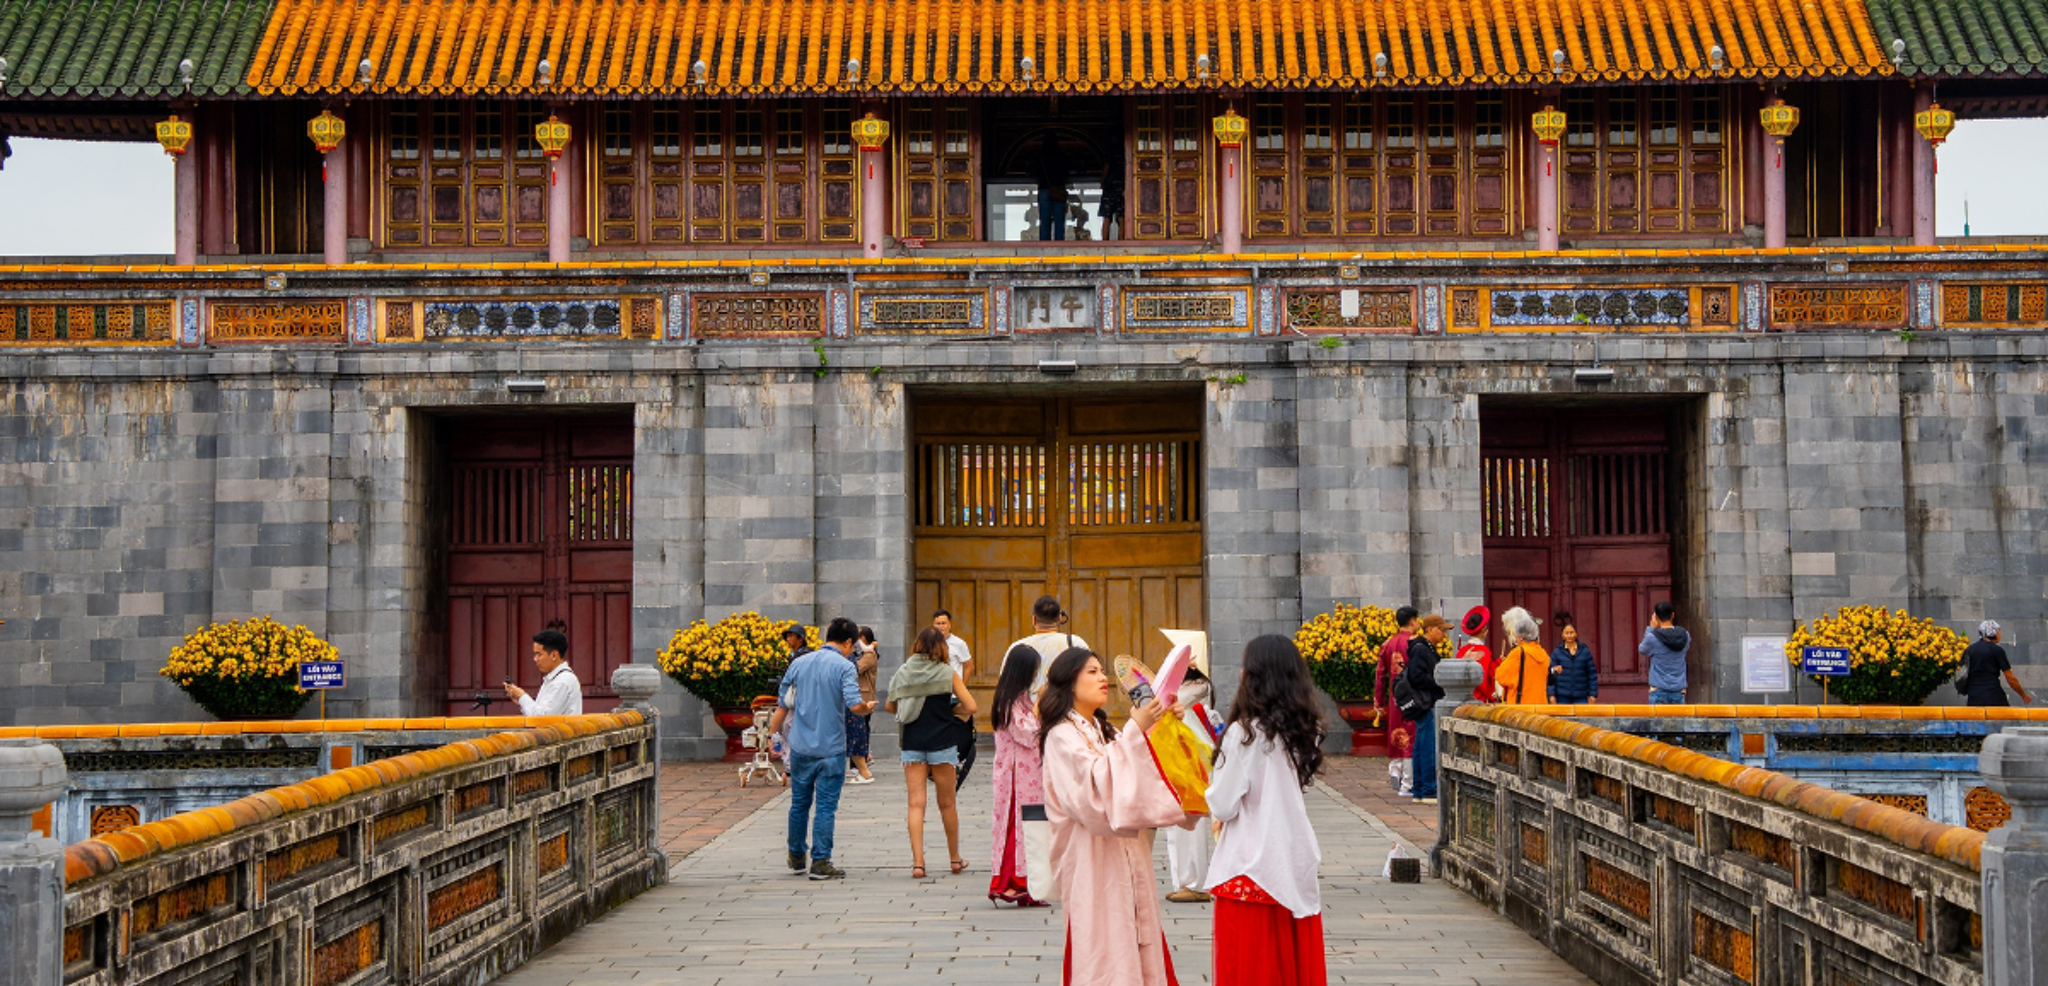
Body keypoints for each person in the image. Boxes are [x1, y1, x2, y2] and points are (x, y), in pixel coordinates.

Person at [1039, 646, 1193, 986]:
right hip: (1091, 860)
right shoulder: (1061, 736)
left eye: (1101, 670)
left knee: (1136, 937)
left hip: (1127, 856)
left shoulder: (1103, 729)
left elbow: (1141, 767)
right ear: (1068, 683)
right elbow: (1094, 796)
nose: (1102, 677)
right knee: (1104, 947)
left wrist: (1162, 723)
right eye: (1091, 672)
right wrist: (1138, 729)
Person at [1205, 635, 1327, 986]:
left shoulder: (1243, 734)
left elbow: (1223, 805)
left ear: (1253, 675)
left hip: (1250, 863)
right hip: (1290, 856)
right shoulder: (1305, 731)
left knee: (1251, 968)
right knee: (1290, 963)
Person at [769, 617, 876, 880]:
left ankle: (796, 857)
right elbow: (854, 704)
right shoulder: (844, 666)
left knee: (799, 804)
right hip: (831, 748)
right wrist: (867, 707)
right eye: (854, 648)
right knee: (826, 806)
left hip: (801, 747)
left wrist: (773, 738)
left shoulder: (799, 663)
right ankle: (820, 861)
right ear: (849, 642)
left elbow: (782, 705)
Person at [887, 627, 978, 878]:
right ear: (941, 647)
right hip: (943, 743)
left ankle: (918, 864)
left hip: (913, 743)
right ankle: (954, 860)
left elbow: (889, 705)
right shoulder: (946, 672)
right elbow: (971, 706)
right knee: (947, 804)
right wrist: (950, 711)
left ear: (917, 645)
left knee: (916, 804)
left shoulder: (904, 671)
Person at [987, 643, 1049, 906]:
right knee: (1016, 827)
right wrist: (1041, 708)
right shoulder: (1010, 702)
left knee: (1031, 827)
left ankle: (1029, 882)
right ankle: (1013, 881)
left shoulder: (1021, 697)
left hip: (1028, 774)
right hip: (1015, 776)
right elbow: (1027, 733)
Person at [1166, 664, 1222, 903]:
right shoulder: (1177, 686)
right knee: (1174, 818)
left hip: (1196, 756)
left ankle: (1196, 883)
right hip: (1175, 751)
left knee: (1194, 817)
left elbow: (1170, 699)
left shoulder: (1201, 685)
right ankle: (1181, 881)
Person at [1374, 607, 1419, 796]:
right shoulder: (1415, 643)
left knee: (1395, 732)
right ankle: (1408, 783)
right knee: (1410, 735)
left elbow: (1380, 674)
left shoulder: (1388, 643)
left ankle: (1395, 770)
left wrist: (1378, 700)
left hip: (1394, 697)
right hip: (1412, 696)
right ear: (1412, 621)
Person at [1005, 594, 1088, 696]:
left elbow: (1006, 686)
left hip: (1027, 710)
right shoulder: (1075, 643)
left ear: (1034, 619)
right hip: (1064, 707)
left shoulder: (1017, 648)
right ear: (1059, 618)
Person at [1405, 614, 1448, 804]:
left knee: (1421, 745)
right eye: (1442, 630)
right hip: (1426, 701)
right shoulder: (1421, 650)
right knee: (1427, 746)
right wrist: (1438, 684)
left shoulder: (1425, 648)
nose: (1444, 635)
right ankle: (1428, 789)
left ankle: (1421, 788)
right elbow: (1416, 676)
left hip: (1427, 701)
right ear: (1430, 629)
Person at [931, 611, 978, 786]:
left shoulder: (958, 644)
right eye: (938, 623)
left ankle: (954, 762)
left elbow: (968, 666)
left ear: (950, 624)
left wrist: (961, 689)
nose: (941, 627)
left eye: (943, 623)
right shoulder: (930, 643)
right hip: (935, 693)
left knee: (954, 729)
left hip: (952, 694)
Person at [505, 628, 584, 716]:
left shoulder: (563, 680)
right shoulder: (554, 678)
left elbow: (543, 717)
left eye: (539, 654)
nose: (535, 659)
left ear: (554, 655)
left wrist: (522, 696)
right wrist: (520, 700)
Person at [1960, 620, 2035, 706]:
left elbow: (1960, 672)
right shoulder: (1996, 650)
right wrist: (2023, 695)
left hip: (1974, 697)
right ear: (1994, 633)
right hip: (1993, 696)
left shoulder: (1969, 650)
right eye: (1999, 631)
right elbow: (2010, 678)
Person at [1493, 607, 1550, 705]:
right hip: (1541, 705)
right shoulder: (1543, 653)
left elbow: (1500, 676)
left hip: (1521, 707)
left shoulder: (1518, 653)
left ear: (1521, 638)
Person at [847, 626, 882, 784]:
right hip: (859, 697)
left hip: (865, 697)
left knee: (861, 730)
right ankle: (859, 763)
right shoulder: (860, 654)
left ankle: (862, 762)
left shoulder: (869, 655)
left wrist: (869, 648)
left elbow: (856, 669)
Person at [1639, 602, 1691, 704]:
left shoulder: (1653, 637)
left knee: (1656, 720)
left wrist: (1651, 628)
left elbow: (1642, 650)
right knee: (1678, 720)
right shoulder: (1685, 635)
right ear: (1672, 615)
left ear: (1656, 617)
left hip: (1659, 689)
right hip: (1678, 690)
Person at [1548, 612, 1599, 705]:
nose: (1569, 635)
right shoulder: (1557, 653)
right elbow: (1551, 676)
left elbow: (1592, 675)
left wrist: (1593, 694)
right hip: (1562, 695)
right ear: (1562, 635)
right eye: (1566, 633)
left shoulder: (1585, 652)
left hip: (1581, 695)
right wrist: (1551, 695)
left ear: (1576, 634)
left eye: (1571, 633)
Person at [1032, 134, 1070, 241]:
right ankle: (1059, 243)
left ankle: (1044, 245)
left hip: (1044, 189)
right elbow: (1066, 173)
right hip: (1058, 189)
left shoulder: (1039, 157)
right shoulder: (1062, 156)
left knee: (1045, 220)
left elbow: (1034, 172)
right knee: (1059, 220)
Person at [1455, 606, 1496, 703]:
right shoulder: (1484, 651)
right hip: (1479, 698)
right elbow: (1484, 677)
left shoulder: (1461, 650)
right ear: (1483, 631)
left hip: (1463, 697)